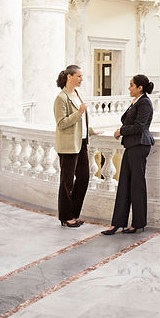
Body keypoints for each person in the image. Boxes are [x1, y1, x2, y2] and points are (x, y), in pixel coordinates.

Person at [101, 74, 154, 235]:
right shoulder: (136, 102)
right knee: (124, 184)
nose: (129, 88)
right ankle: (117, 223)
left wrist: (121, 131)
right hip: (132, 145)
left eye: (131, 85)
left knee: (136, 185)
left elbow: (140, 127)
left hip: (139, 146)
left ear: (140, 88)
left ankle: (137, 223)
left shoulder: (145, 103)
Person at [54, 64, 94, 228]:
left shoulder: (77, 94)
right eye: (79, 76)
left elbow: (81, 122)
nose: (81, 79)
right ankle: (66, 216)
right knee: (67, 182)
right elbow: (61, 123)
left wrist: (91, 131)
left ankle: (74, 213)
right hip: (68, 146)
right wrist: (79, 112)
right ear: (69, 77)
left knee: (84, 178)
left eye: (81, 76)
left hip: (82, 142)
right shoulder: (61, 98)